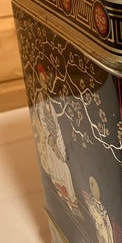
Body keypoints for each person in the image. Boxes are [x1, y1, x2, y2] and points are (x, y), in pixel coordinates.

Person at [34, 64, 79, 214]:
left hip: (56, 138)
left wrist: (58, 139)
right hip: (50, 140)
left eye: (45, 79)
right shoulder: (40, 98)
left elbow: (56, 122)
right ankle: (67, 198)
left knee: (64, 168)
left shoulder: (50, 98)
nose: (44, 81)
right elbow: (43, 120)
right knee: (60, 169)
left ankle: (70, 200)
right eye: (42, 79)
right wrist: (51, 138)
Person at [83, 176, 120, 243]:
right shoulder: (93, 204)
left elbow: (105, 219)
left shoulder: (100, 206)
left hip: (105, 229)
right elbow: (94, 215)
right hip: (100, 228)